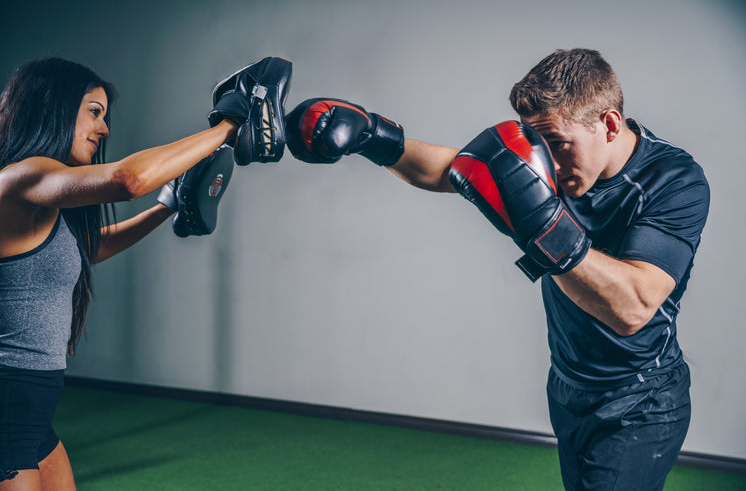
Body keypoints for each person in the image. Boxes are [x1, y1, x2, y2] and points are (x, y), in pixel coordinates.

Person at [283, 48, 710, 490]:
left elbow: (633, 308)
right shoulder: (556, 161)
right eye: (538, 145)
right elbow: (451, 169)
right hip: (568, 384)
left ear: (609, 124)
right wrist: (371, 138)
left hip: (641, 397)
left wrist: (543, 224)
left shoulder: (674, 181)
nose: (550, 164)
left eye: (560, 145)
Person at [0, 55, 286, 489]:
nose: (105, 128)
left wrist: (165, 207)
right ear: (48, 107)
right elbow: (128, 180)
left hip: (32, 409)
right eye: (93, 113)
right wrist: (229, 125)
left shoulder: (44, 198)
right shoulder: (21, 178)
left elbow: (86, 250)